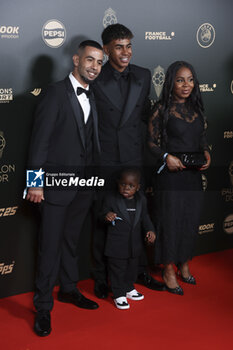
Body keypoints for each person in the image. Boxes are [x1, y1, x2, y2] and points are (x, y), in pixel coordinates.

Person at [26, 40, 103, 336]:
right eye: (90, 60)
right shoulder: (55, 93)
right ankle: (43, 306)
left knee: (71, 242)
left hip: (83, 186)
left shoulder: (93, 95)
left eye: (99, 62)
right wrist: (35, 183)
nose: (94, 67)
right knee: (50, 247)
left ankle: (69, 289)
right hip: (55, 186)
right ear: (75, 59)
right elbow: (39, 141)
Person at [92, 23, 165, 299]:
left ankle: (137, 272)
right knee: (105, 219)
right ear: (106, 49)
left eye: (129, 46)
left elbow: (146, 119)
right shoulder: (95, 76)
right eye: (119, 47)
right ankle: (101, 277)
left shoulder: (144, 76)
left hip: (134, 160)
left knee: (137, 219)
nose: (125, 52)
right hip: (107, 161)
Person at [147, 61, 211, 295]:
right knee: (170, 222)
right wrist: (166, 157)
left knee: (189, 220)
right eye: (180, 80)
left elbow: (201, 137)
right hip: (171, 177)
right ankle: (168, 270)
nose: (186, 85)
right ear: (171, 82)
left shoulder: (196, 108)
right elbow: (150, 143)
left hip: (193, 177)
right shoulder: (161, 108)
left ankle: (183, 263)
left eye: (190, 80)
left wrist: (206, 152)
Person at [101, 168, 156, 309]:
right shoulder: (111, 198)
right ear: (118, 184)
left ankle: (128, 288)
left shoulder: (141, 200)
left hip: (135, 245)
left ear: (138, 187)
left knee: (132, 268)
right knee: (117, 270)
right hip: (116, 245)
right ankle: (118, 293)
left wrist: (150, 230)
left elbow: (145, 218)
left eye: (131, 186)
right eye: (123, 184)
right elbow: (101, 215)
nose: (126, 188)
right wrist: (107, 216)